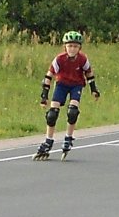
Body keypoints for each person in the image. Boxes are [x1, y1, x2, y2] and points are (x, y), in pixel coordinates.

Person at [36, 30, 100, 158]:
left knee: (72, 112)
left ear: (79, 48)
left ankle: (68, 138)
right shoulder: (59, 59)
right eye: (70, 46)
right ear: (65, 46)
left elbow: (89, 73)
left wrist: (93, 89)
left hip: (76, 85)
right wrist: (44, 96)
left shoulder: (82, 59)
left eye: (75, 46)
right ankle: (48, 140)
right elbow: (48, 76)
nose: (72, 49)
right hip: (61, 85)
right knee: (52, 114)